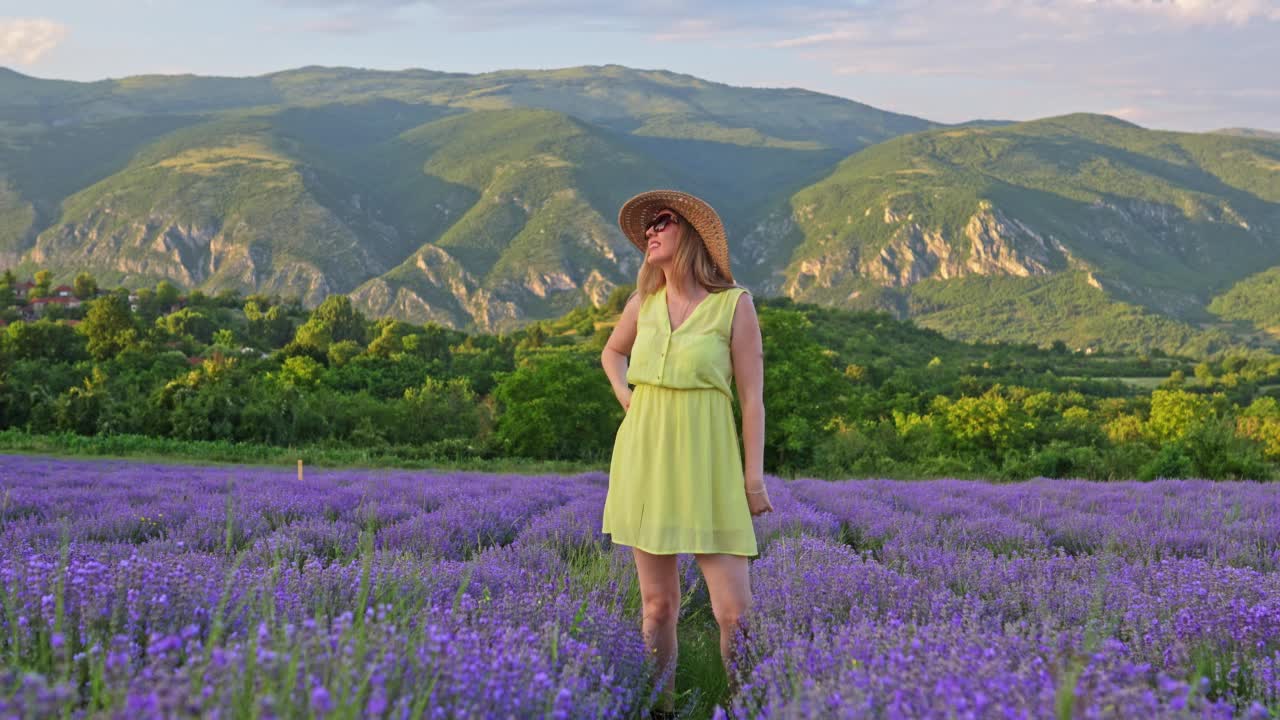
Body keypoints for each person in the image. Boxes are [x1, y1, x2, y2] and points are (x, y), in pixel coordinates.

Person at [600, 189, 774, 718]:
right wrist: (630, 398)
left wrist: (753, 481)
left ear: (692, 235)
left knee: (734, 614)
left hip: (709, 467)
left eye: (662, 222)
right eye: (647, 227)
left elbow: (752, 399)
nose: (650, 231)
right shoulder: (641, 305)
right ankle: (661, 711)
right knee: (656, 609)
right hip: (644, 460)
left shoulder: (733, 304)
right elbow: (611, 352)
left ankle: (744, 709)